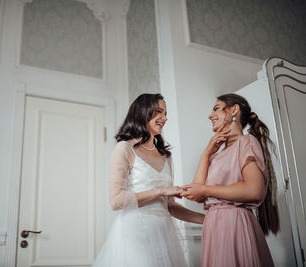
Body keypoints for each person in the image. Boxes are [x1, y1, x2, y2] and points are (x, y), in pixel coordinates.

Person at [92, 93, 204, 267]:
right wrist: (161, 191)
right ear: (143, 111)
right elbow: (116, 201)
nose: (164, 118)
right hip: (135, 234)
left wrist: (208, 219)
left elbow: (171, 206)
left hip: (165, 234)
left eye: (166, 113)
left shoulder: (166, 156)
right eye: (159, 111)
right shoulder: (124, 149)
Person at [181, 93, 280, 267]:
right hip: (214, 228)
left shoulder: (246, 142)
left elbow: (253, 189)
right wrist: (206, 153)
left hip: (235, 225)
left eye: (216, 109)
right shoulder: (215, 155)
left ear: (234, 110)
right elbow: (196, 193)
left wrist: (206, 190)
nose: (210, 115)